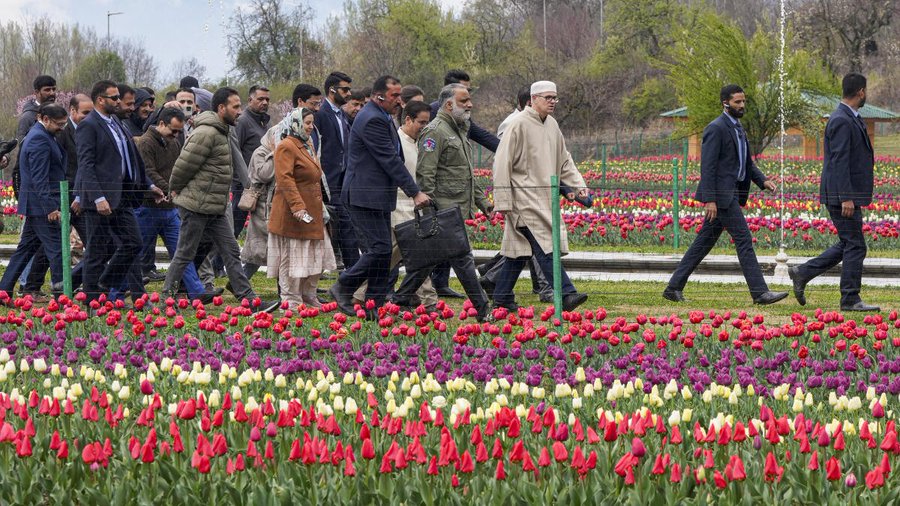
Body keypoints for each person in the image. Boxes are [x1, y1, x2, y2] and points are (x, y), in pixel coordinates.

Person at [663, 84, 787, 305]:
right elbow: (708, 166)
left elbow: (746, 162)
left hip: (732, 193)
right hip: (722, 196)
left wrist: (763, 181)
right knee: (744, 239)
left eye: (743, 101)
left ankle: (673, 288)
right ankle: (760, 292)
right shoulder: (716, 128)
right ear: (725, 103)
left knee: (704, 242)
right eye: (737, 102)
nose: (742, 105)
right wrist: (710, 199)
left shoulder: (738, 128)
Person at [162, 87, 279, 313]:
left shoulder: (223, 131)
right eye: (235, 107)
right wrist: (173, 190)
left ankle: (250, 301)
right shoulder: (206, 133)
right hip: (196, 206)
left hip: (214, 207)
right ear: (221, 108)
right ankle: (167, 298)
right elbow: (183, 166)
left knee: (231, 251)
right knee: (185, 253)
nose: (239, 111)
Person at [328, 75, 431, 316]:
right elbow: (390, 160)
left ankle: (373, 305)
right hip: (364, 196)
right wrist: (414, 192)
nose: (399, 100)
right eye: (394, 95)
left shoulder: (382, 115)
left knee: (383, 253)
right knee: (380, 250)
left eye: (400, 94)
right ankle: (344, 286)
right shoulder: (372, 119)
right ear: (379, 96)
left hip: (377, 196)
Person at [389, 85, 490, 319]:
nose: (470, 105)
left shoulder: (459, 130)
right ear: (449, 104)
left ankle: (400, 299)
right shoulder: (435, 132)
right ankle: (483, 309)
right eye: (464, 101)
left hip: (454, 211)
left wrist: (484, 203)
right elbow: (425, 175)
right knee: (463, 259)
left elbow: (465, 174)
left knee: (427, 261)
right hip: (443, 212)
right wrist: (430, 213)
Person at [492, 80, 590, 312]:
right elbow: (501, 163)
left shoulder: (552, 124)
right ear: (533, 99)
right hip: (523, 198)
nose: (553, 101)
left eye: (555, 97)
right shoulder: (517, 124)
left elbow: (564, 159)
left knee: (519, 252)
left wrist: (578, 185)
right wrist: (503, 200)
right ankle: (566, 293)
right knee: (545, 244)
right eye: (548, 97)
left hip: (545, 197)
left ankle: (501, 298)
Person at [789, 73, 878, 312]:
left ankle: (802, 272)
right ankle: (850, 298)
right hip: (842, 196)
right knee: (855, 245)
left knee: (849, 243)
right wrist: (846, 197)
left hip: (845, 194)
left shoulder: (850, 117)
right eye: (865, 91)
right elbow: (839, 161)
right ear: (861, 91)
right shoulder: (841, 120)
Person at [75, 80, 166, 303]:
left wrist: (149, 185)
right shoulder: (89, 125)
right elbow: (86, 165)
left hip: (122, 196)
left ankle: (106, 282)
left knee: (134, 242)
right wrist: (98, 197)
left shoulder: (116, 122)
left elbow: (131, 159)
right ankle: (91, 303)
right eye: (114, 98)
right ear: (100, 100)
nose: (119, 101)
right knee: (97, 251)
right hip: (100, 199)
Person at [352, 101, 438, 308]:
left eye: (427, 122)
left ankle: (360, 294)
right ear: (408, 119)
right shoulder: (397, 141)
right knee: (393, 256)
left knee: (398, 257)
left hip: (414, 208)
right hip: (398, 207)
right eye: (421, 122)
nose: (425, 127)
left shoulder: (420, 143)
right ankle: (427, 300)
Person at [428, 70, 500, 299]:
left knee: (444, 251)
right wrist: (427, 202)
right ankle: (480, 303)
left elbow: (479, 141)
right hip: (443, 199)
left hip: (456, 197)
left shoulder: (461, 122)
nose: (470, 101)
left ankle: (428, 287)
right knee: (458, 252)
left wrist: (507, 149)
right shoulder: (435, 120)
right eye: (465, 94)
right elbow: (427, 168)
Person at [134, 107, 217, 302]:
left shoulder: (173, 143)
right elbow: (148, 172)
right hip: (148, 208)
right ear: (161, 124)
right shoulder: (145, 143)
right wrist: (171, 189)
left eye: (179, 131)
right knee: (135, 252)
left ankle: (196, 291)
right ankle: (115, 292)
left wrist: (177, 189)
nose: (176, 135)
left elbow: (179, 168)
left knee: (182, 251)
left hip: (169, 209)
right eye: (173, 131)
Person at [267, 109, 336, 308]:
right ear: (296, 123)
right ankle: (291, 299)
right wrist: (298, 207)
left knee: (316, 254)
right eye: (307, 123)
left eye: (312, 123)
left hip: (313, 211)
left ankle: (308, 294)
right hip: (294, 213)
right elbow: (285, 179)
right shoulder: (287, 146)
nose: (310, 127)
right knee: (293, 257)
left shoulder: (307, 145)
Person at [0, 103, 69, 301]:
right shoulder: (39, 138)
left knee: (25, 249)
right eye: (59, 124)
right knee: (57, 249)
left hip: (36, 204)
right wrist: (50, 207)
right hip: (42, 206)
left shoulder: (43, 134)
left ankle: (3, 290)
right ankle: (62, 295)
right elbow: (39, 178)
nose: (62, 128)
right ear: (45, 119)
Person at [316, 71, 360, 271]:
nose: (349, 93)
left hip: (344, 182)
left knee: (347, 227)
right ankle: (353, 274)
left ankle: (352, 274)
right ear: (332, 90)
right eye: (345, 89)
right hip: (327, 183)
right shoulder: (320, 114)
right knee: (343, 227)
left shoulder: (342, 115)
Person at [241, 126, 281, 279]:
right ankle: (240, 281)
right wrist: (275, 154)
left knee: (269, 248)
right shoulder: (260, 153)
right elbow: (265, 174)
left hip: (273, 205)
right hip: (261, 206)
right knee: (259, 248)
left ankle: (240, 282)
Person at [233, 85, 271, 238]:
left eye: (267, 99)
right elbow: (234, 152)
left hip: (259, 185)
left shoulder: (264, 122)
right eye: (260, 99)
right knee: (234, 227)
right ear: (250, 100)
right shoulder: (242, 121)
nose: (265, 102)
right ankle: (221, 255)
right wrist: (240, 182)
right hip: (242, 186)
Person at [11, 75, 57, 193]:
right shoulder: (28, 117)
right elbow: (24, 148)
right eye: (47, 90)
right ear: (36, 92)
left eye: (54, 89)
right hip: (36, 177)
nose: (52, 93)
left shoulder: (57, 112)